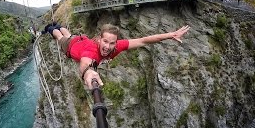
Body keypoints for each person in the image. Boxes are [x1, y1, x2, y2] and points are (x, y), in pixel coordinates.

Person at [43, 23, 190, 89]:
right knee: (60, 36)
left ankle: (57, 25)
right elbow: (84, 64)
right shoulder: (91, 51)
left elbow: (143, 40)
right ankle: (51, 27)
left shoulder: (117, 46)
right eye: (105, 41)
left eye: (111, 43)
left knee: (68, 33)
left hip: (81, 39)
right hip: (71, 46)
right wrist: (88, 74)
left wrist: (170, 35)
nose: (107, 46)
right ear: (99, 39)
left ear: (116, 42)